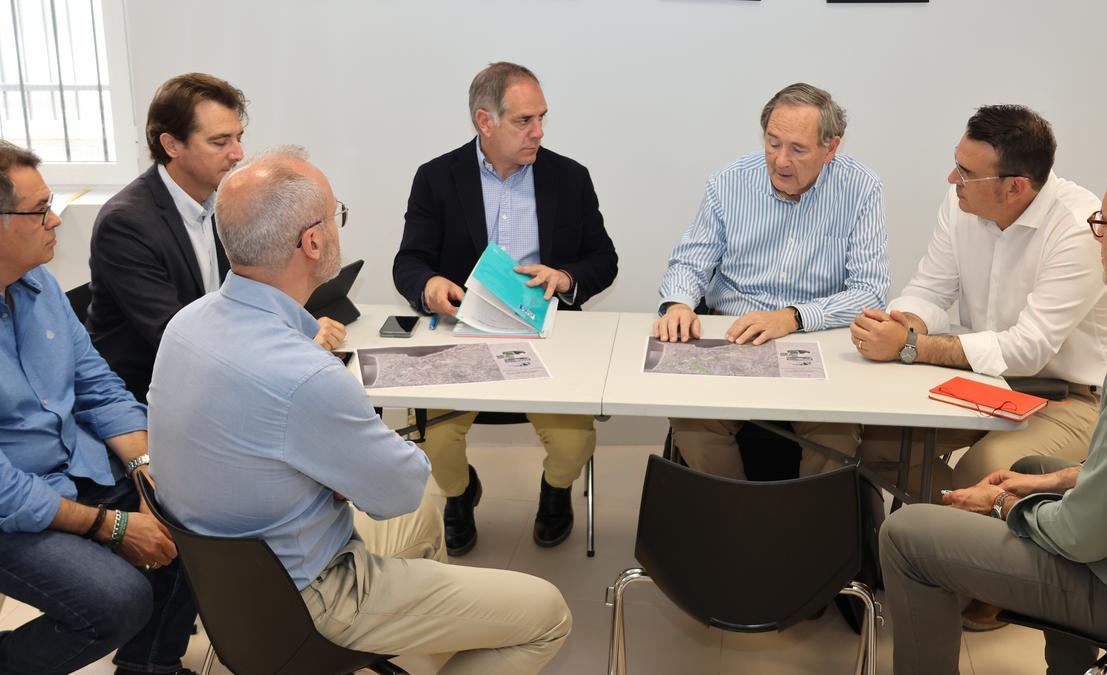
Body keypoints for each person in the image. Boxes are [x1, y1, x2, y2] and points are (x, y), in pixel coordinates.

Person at [151, 146, 571, 674]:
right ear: (313, 242)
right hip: (314, 598)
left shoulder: (185, 326)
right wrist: (349, 468)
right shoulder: (306, 376)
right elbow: (397, 488)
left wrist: (330, 472)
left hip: (235, 593)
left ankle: (431, 632)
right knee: (548, 614)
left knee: (424, 518)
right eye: (336, 215)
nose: (338, 226)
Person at [880, 158, 1107, 675]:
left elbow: (1084, 536)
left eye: (1104, 226)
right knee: (1032, 467)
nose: (1095, 237)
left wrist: (1005, 505)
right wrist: (1051, 481)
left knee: (909, 534)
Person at [393, 62, 618, 554]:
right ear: (484, 121)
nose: (538, 132)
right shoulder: (436, 178)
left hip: (545, 331)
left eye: (542, 118)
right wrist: (429, 286)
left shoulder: (569, 177)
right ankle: (459, 493)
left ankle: (555, 491)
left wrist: (566, 277)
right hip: (463, 333)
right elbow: (408, 262)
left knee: (573, 443)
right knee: (432, 438)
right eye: (523, 121)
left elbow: (604, 259)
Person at [851, 105, 1107, 494]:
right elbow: (930, 287)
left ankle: (960, 534)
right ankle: (923, 539)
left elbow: (1028, 349)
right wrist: (904, 323)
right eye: (956, 164)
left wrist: (912, 346)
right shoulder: (961, 203)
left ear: (1015, 186)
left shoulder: (1078, 229)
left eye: (966, 173)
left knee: (983, 470)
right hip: (986, 381)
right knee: (877, 445)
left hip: (1072, 397)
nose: (952, 179)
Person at [0, 140, 195, 675]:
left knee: (200, 510)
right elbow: (4, 488)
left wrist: (147, 471)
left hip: (72, 468)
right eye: (40, 210)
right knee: (117, 600)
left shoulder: (36, 283)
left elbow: (98, 388)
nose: (56, 220)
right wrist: (109, 526)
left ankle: (149, 666)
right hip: (12, 504)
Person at [654, 82, 889, 480]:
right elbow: (690, 261)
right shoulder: (728, 182)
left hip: (816, 343)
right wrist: (678, 302)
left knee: (837, 431)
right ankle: (739, 519)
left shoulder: (861, 188)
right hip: (732, 334)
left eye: (797, 149)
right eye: (772, 142)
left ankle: (806, 527)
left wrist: (794, 316)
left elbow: (870, 293)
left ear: (831, 148)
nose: (781, 161)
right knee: (693, 422)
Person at [87, 72, 346, 401]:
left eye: (238, 137)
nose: (238, 153)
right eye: (220, 142)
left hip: (224, 372)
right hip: (157, 396)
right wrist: (296, 339)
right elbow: (176, 336)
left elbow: (249, 298)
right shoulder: (125, 224)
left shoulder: (224, 199)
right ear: (171, 145)